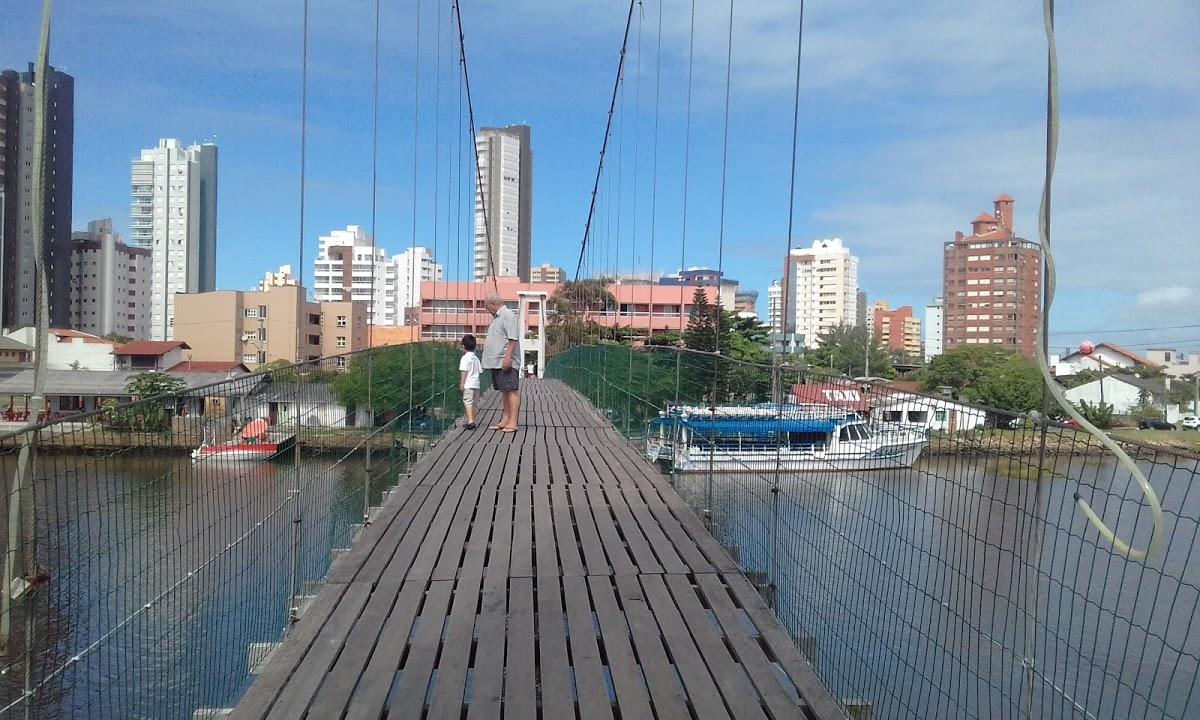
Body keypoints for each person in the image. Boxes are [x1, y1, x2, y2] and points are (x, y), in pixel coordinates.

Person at [481, 292, 521, 433]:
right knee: (505, 390)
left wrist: (508, 357)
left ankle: (513, 422)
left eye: (487, 307)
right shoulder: (498, 317)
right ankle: (506, 419)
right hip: (497, 361)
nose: (487, 310)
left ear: (493, 304)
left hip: (505, 360)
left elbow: (513, 338)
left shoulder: (507, 315)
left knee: (511, 390)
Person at [458, 334, 482, 430]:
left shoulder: (465, 358)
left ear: (463, 346)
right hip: (476, 384)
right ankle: (472, 420)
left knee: (468, 402)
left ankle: (470, 421)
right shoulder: (476, 358)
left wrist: (462, 383)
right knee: (474, 403)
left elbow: (464, 371)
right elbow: (479, 371)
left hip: (468, 383)